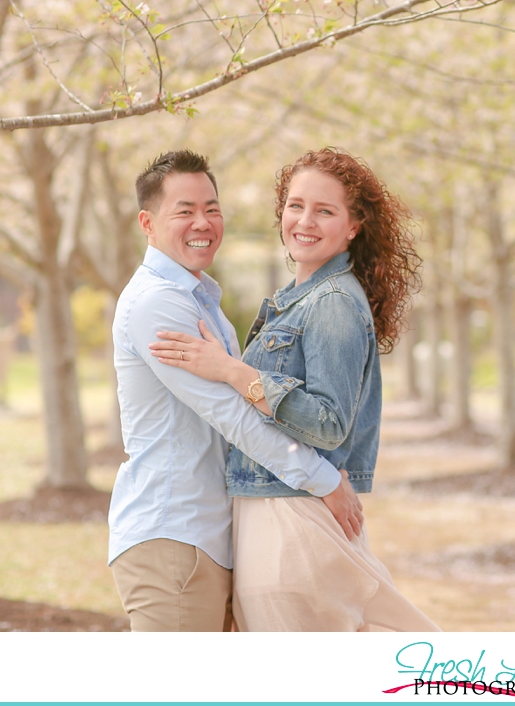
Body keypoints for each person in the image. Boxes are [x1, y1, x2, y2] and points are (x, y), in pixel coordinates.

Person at [149, 147, 441, 633]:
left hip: (290, 521)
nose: (305, 220)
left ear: (353, 226)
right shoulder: (301, 298)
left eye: (325, 210)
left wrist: (230, 371)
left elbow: (328, 424)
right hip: (279, 513)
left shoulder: (331, 303)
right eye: (296, 205)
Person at [107, 148, 364, 632]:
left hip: (210, 536)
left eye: (211, 208)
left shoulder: (200, 298)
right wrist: (324, 481)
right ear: (147, 222)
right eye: (184, 211)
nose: (202, 222)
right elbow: (234, 416)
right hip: (174, 535)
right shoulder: (158, 306)